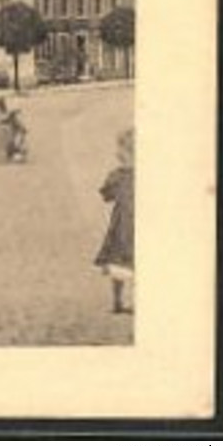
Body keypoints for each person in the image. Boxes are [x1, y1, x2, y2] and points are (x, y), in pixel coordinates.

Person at [94, 128, 136, 314]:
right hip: (137, 222)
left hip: (121, 224)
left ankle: (117, 302)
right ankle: (130, 302)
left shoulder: (117, 176)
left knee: (118, 261)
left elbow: (106, 196)